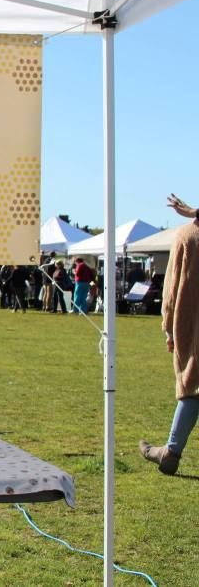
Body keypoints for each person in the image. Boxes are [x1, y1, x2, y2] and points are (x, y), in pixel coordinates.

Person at [141, 195, 199, 474]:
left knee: (192, 384)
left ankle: (171, 452)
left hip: (193, 325)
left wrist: (168, 326)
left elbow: (172, 287)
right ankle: (170, 451)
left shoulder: (187, 236)